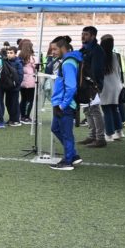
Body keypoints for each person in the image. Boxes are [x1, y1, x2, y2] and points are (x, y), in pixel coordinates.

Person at [48, 37, 82, 171]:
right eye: (52, 49)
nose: (53, 52)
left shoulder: (68, 63)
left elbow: (71, 87)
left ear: (63, 48)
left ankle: (68, 161)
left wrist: (62, 105)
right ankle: (73, 155)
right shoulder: (70, 60)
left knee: (66, 133)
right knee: (55, 128)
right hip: (62, 103)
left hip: (65, 105)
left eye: (55, 49)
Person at [78, 26, 106, 148]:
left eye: (86, 34)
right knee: (87, 110)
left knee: (94, 110)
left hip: (92, 85)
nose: (83, 36)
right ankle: (92, 135)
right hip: (84, 84)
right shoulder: (84, 49)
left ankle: (100, 138)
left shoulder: (97, 50)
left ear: (93, 36)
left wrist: (95, 85)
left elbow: (97, 70)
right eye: (82, 34)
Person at [99, 35, 125, 141]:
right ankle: (119, 132)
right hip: (116, 85)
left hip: (105, 86)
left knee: (107, 110)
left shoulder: (100, 56)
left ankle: (109, 134)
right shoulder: (116, 55)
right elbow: (119, 71)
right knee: (115, 109)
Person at [0, 46, 23, 127]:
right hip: (8, 87)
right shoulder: (5, 61)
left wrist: (16, 85)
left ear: (15, 53)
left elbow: (20, 76)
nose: (9, 55)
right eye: (8, 53)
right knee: (8, 103)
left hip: (14, 88)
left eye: (11, 53)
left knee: (14, 104)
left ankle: (16, 120)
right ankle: (11, 119)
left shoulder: (18, 63)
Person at [17, 40, 38, 124]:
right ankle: (26, 116)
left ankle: (22, 115)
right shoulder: (32, 58)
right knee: (30, 99)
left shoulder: (19, 57)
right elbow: (36, 67)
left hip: (22, 80)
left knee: (23, 99)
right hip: (30, 81)